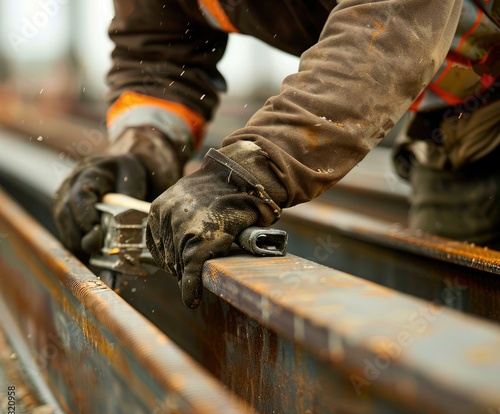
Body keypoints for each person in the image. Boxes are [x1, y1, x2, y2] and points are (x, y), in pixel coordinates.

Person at [53, 0, 499, 308]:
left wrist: (251, 171)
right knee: (459, 323)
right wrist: (139, 148)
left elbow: (386, 30)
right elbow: (159, 57)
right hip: (464, 122)